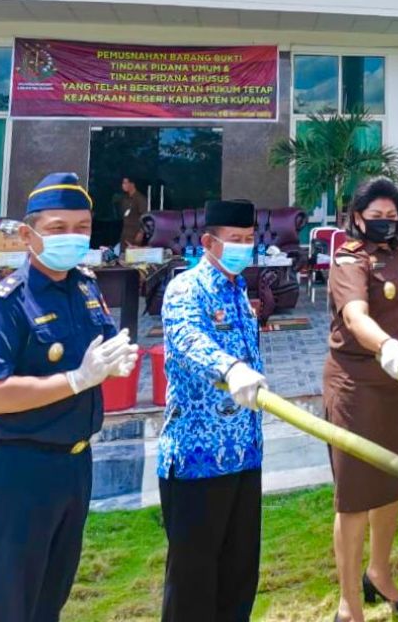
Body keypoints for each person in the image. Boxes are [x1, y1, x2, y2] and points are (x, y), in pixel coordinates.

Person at [0, 172, 139, 622]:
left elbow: (98, 349)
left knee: (48, 601)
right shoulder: (5, 304)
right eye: (58, 228)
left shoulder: (84, 287)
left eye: (82, 228)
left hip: (73, 464)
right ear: (28, 234)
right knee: (8, 605)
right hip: (16, 469)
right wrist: (77, 380)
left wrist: (115, 360)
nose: (73, 238)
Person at [158, 199, 268, 622]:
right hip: (196, 462)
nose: (243, 248)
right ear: (208, 242)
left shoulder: (239, 290)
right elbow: (188, 339)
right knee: (193, 584)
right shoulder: (187, 288)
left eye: (248, 240)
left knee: (239, 576)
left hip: (244, 454)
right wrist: (230, 367)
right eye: (234, 240)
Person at [325, 178, 398, 622]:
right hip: (357, 385)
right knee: (356, 495)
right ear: (357, 217)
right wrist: (384, 345)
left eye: (391, 216)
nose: (385, 224)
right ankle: (349, 601)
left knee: (392, 483)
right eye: (376, 217)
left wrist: (395, 355)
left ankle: (379, 573)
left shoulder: (397, 256)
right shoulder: (349, 259)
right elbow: (356, 316)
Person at [118, 175, 148, 251]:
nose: (123, 185)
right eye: (122, 183)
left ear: (132, 184)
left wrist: (141, 233)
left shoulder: (140, 199)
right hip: (125, 233)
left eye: (125, 183)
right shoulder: (125, 199)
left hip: (135, 234)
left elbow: (145, 217)